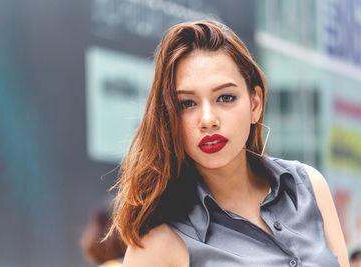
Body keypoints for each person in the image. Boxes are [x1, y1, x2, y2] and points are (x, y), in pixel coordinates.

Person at [106, 20, 349, 266]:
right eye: (187, 104)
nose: (208, 120)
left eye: (225, 97)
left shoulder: (307, 187)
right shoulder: (158, 244)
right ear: (169, 118)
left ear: (255, 104)